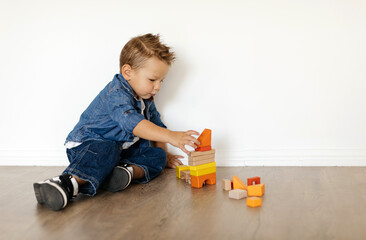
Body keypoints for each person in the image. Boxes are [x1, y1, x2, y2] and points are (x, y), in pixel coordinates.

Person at [33, 33, 200, 211]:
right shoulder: (116, 94)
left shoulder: (146, 99)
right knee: (107, 148)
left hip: (119, 154)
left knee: (157, 154)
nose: (157, 87)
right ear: (128, 72)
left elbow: (157, 125)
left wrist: (165, 154)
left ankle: (124, 172)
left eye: (161, 81)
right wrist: (172, 137)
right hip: (88, 147)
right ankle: (67, 182)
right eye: (152, 80)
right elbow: (132, 123)